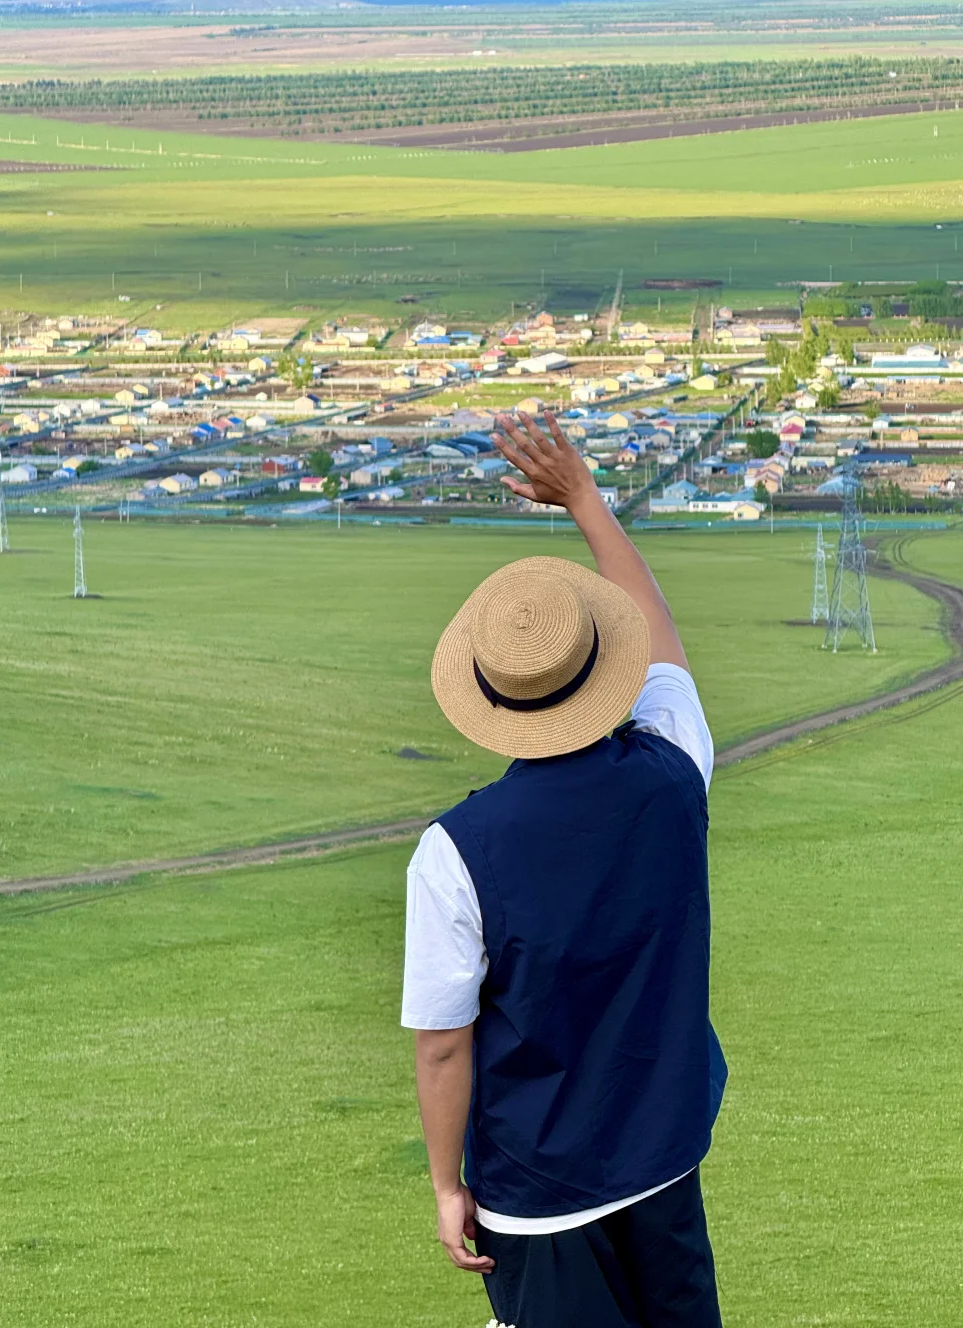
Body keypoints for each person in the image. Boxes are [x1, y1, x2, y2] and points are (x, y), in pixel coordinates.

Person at [401, 410, 727, 1328]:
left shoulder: (455, 851)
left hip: (537, 1195)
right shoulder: (673, 775)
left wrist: (443, 1186)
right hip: (665, 1156)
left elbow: (441, 1043)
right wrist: (584, 498)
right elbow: (666, 651)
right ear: (601, 665)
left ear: (485, 694)